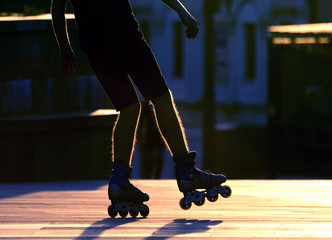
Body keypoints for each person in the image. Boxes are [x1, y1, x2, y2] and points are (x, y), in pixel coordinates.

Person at [51, 0, 231, 218]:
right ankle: (186, 171)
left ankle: (119, 181)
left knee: (128, 108)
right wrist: (182, 11)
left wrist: (65, 48)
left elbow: (57, 7)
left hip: (95, 46)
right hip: (126, 37)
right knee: (161, 98)